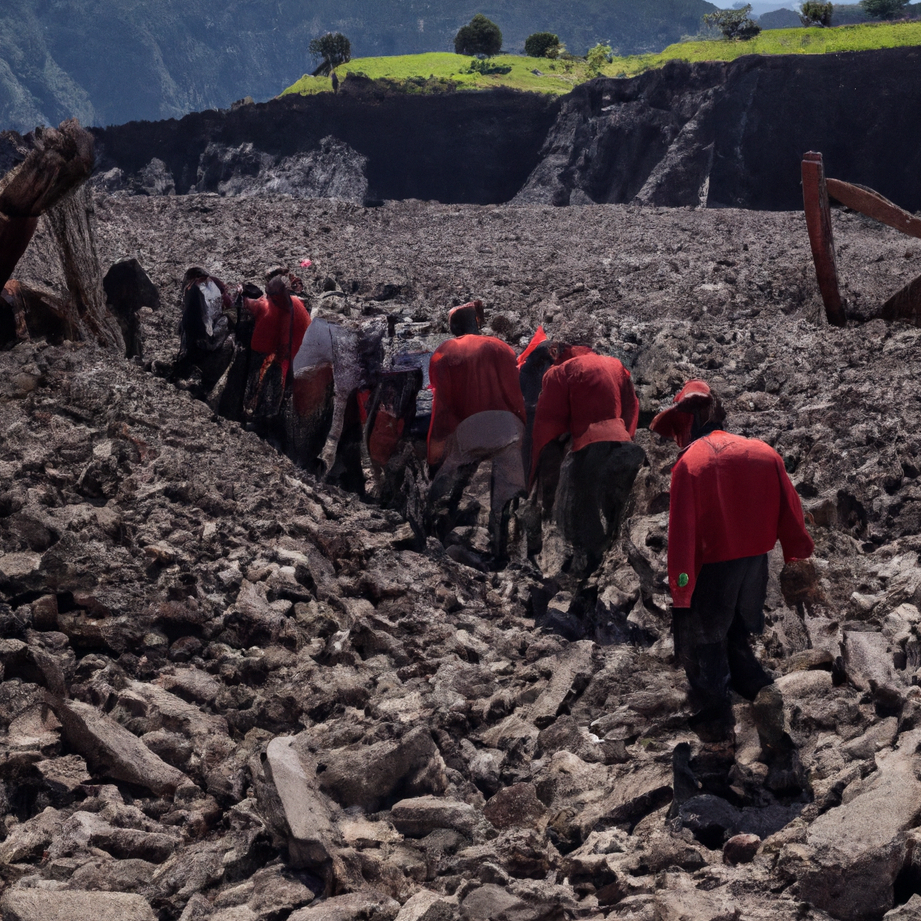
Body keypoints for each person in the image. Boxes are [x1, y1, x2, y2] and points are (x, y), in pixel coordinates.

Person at [650, 379, 814, 738]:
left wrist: (681, 588)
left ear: (689, 420)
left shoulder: (690, 465)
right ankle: (763, 695)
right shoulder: (762, 452)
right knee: (738, 638)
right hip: (755, 565)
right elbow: (791, 510)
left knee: (705, 649)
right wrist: (796, 554)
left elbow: (683, 536)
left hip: (712, 571)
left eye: (678, 428)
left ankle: (717, 733)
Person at [529, 348, 644, 579]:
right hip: (624, 445)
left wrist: (537, 466)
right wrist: (627, 436)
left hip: (590, 445)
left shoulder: (560, 372)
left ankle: (593, 562)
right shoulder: (614, 363)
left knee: (583, 507)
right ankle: (617, 559)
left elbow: (549, 422)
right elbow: (632, 405)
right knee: (620, 512)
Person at [426, 300, 527, 560]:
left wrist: (435, 452)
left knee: (445, 483)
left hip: (470, 429)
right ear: (477, 323)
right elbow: (516, 395)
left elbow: (443, 408)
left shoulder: (444, 352)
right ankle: (502, 552)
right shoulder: (502, 348)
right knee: (505, 495)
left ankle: (432, 531)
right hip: (509, 427)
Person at [175, 267, 235, 394]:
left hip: (199, 332)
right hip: (198, 330)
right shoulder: (197, 289)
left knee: (191, 354)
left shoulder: (198, 288)